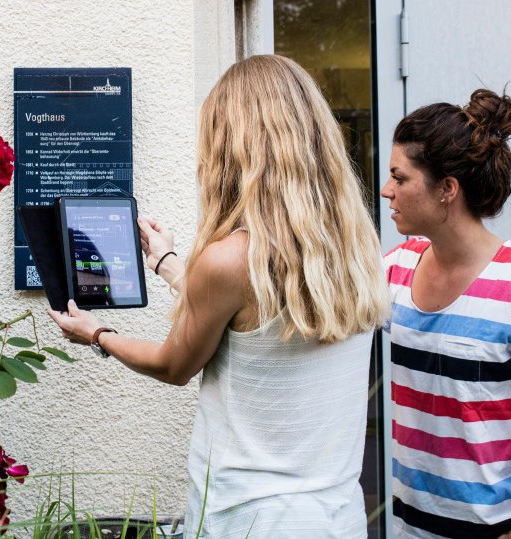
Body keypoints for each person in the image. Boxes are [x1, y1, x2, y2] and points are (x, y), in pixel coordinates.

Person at [46, 54, 389, 538]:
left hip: (251, 520)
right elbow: (255, 316)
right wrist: (167, 262)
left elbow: (173, 366)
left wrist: (98, 334)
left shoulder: (229, 261)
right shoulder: (356, 249)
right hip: (339, 518)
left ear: (230, 146)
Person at [380, 90, 511, 539]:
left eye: (399, 177)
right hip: (418, 530)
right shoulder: (396, 268)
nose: (387, 190)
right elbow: (326, 311)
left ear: (447, 189)